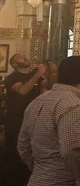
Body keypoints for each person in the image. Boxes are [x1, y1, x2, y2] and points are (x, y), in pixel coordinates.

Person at [18, 55, 80, 186]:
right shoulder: (73, 104)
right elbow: (72, 150)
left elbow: (23, 147)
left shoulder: (37, 101)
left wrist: (42, 170)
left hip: (36, 180)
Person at [5, 54, 47, 185]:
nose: (25, 57)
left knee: (32, 152)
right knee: (16, 154)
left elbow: (47, 85)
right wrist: (37, 74)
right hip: (16, 120)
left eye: (24, 55)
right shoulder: (12, 78)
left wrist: (44, 74)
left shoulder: (35, 74)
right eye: (20, 57)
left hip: (33, 119)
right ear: (15, 64)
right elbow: (22, 90)